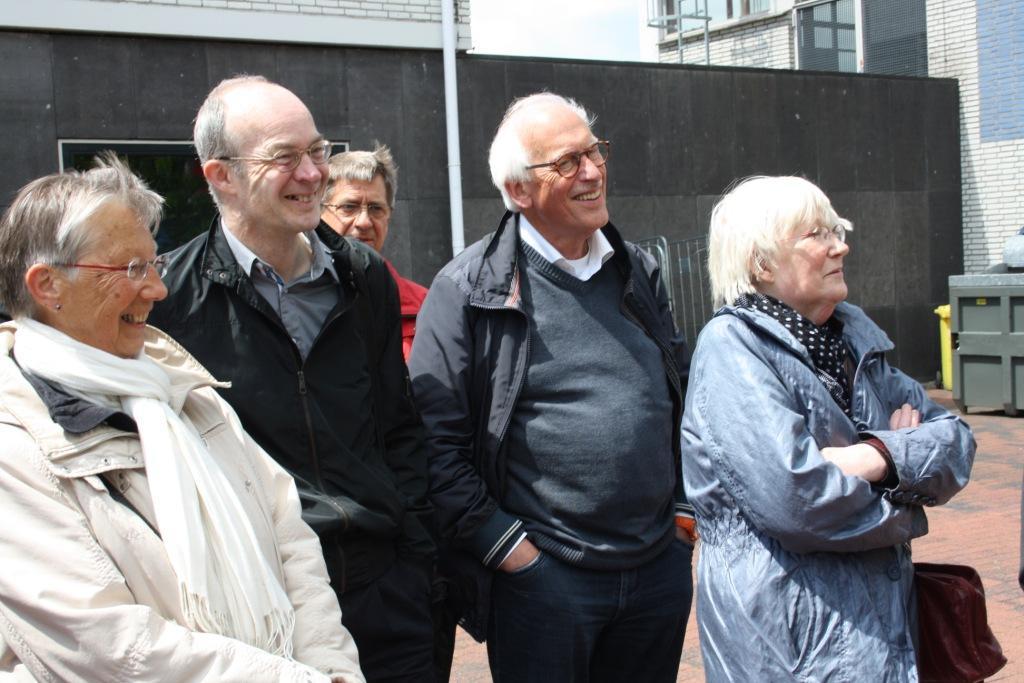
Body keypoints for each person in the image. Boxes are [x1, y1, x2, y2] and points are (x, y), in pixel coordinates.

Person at [0, 156, 363, 682]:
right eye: (131, 269)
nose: (157, 289)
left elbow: (292, 541)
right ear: (48, 285)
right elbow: (108, 646)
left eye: (154, 264)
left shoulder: (183, 392)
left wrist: (332, 669)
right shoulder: (15, 442)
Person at [148, 76, 436, 683]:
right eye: (284, 157)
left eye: (317, 151)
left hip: (386, 595)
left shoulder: (365, 277)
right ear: (221, 176)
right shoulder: (168, 299)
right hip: (260, 611)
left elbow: (398, 427)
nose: (312, 174)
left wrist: (416, 561)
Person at [408, 92, 695, 682]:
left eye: (594, 152)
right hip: (545, 584)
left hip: (656, 571)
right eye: (567, 162)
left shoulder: (637, 270)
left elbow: (681, 397)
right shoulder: (466, 290)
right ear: (519, 190)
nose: (592, 172)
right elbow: (435, 446)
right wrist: (513, 555)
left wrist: (683, 522)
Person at [681, 175, 976, 681]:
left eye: (836, 229)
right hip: (791, 640)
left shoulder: (852, 343)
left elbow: (955, 441)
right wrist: (909, 495)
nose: (841, 245)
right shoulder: (732, 347)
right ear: (762, 263)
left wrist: (877, 456)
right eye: (816, 234)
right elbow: (797, 500)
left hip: (880, 628)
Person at [321, 145, 427, 361]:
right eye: (349, 207)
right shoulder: (296, 301)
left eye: (376, 208)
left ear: (389, 215)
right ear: (319, 212)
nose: (364, 222)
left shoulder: (425, 306)